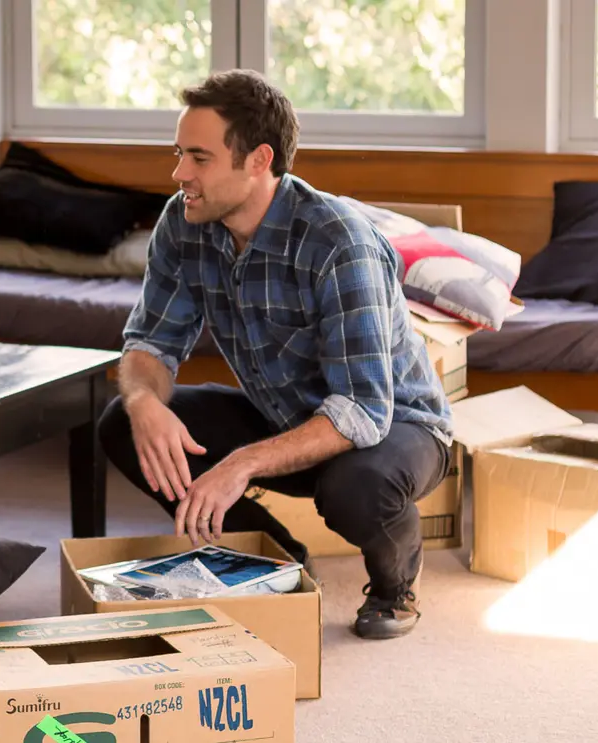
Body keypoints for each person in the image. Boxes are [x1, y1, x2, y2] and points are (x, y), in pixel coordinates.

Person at [97, 70, 454, 640]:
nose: (179, 174)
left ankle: (395, 586)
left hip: (392, 427)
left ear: (258, 160)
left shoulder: (340, 242)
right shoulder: (183, 222)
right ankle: (279, 561)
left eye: (199, 158)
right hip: (285, 416)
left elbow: (361, 411)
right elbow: (152, 343)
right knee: (121, 420)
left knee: (354, 490)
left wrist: (239, 465)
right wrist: (144, 401)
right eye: (178, 154)